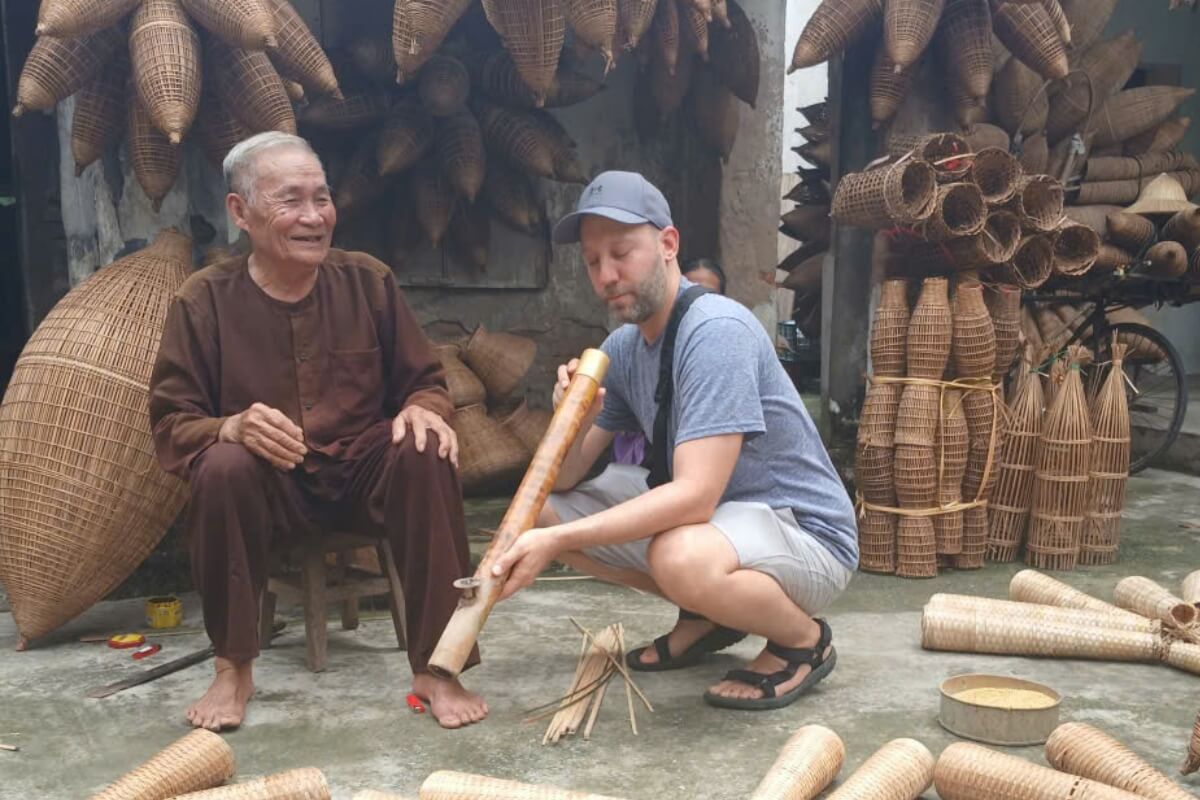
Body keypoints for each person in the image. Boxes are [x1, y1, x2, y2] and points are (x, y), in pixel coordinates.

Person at [148, 132, 488, 731]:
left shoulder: (368, 281)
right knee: (221, 465)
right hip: (269, 488)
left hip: (361, 475)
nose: (313, 216)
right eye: (291, 201)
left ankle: (439, 667)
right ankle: (232, 670)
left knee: (426, 448)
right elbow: (172, 421)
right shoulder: (204, 301)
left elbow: (425, 380)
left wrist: (423, 407)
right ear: (240, 213)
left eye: (322, 198)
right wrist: (230, 426)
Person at [488, 171, 858, 710]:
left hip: (805, 534)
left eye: (621, 253)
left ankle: (802, 642)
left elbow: (695, 497)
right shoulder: (624, 347)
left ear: (667, 244)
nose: (607, 276)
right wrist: (576, 417)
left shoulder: (715, 331)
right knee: (542, 513)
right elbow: (561, 481)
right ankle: (708, 614)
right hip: (725, 525)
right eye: (593, 261)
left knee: (678, 557)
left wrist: (559, 544)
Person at [611, 257, 726, 468]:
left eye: (707, 294)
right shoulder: (626, 348)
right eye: (690, 292)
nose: (696, 304)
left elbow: (698, 481)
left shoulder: (721, 342)